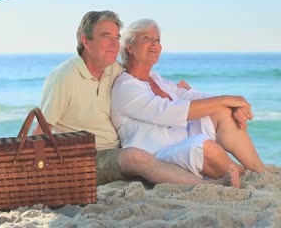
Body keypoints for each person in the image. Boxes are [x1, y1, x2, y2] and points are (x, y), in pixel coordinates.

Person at [33, 10, 226, 186]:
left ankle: (222, 173)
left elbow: (142, 75)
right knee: (135, 157)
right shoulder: (64, 77)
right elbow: (41, 129)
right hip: (85, 157)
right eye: (105, 36)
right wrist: (38, 172)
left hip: (115, 151)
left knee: (147, 153)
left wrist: (176, 88)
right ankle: (208, 187)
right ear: (86, 41)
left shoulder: (113, 69)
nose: (114, 44)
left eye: (117, 38)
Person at [111, 19, 270, 188]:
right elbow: (167, 112)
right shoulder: (126, 86)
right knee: (205, 147)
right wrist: (227, 100)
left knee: (222, 112)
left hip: (181, 145)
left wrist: (233, 105)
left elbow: (191, 96)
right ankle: (237, 172)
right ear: (130, 47)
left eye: (157, 40)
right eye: (147, 38)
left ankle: (258, 169)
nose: (154, 44)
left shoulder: (156, 79)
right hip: (158, 157)